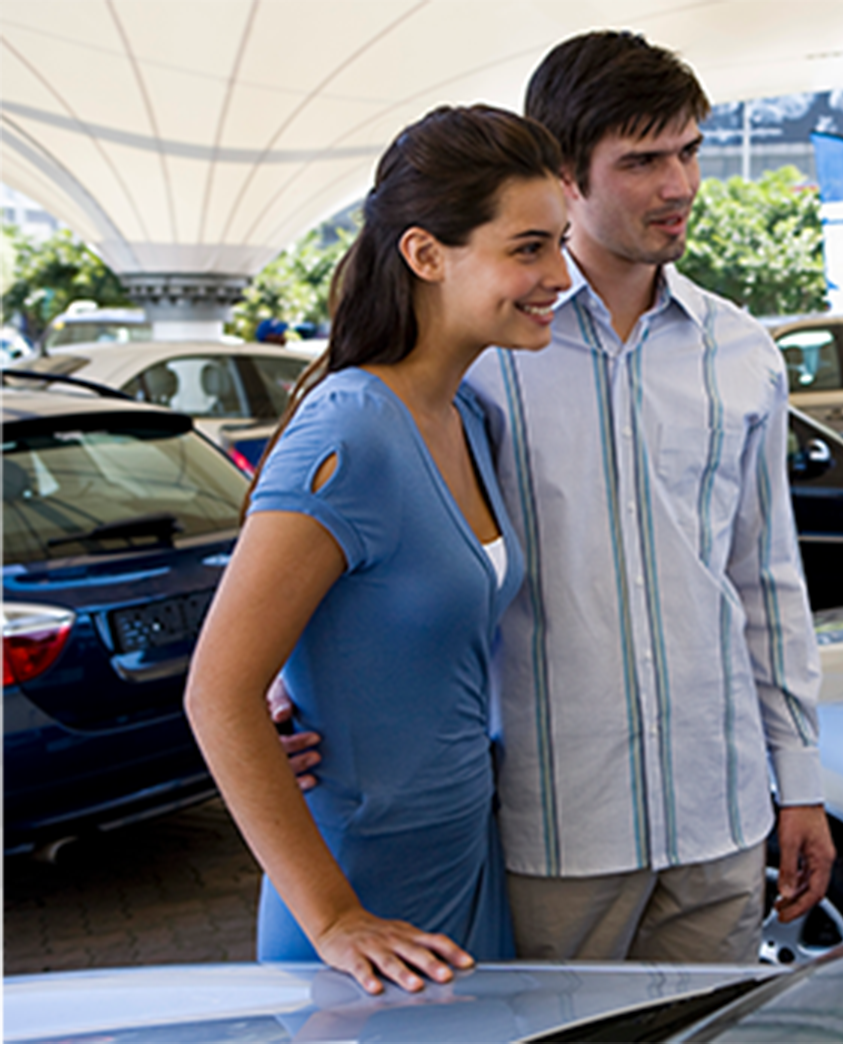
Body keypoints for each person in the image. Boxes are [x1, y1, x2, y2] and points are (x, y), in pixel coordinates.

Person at [464, 30, 833, 962]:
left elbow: (765, 582)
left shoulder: (742, 351)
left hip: (720, 814)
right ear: (564, 178)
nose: (678, 185)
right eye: (641, 161)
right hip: (552, 829)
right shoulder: (486, 357)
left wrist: (799, 781)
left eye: (689, 150)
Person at [186, 104, 570, 993]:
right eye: (527, 248)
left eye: (558, 243)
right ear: (426, 254)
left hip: (466, 862)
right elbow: (217, 690)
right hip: (362, 896)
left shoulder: (466, 414)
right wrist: (331, 918)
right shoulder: (351, 431)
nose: (559, 274)